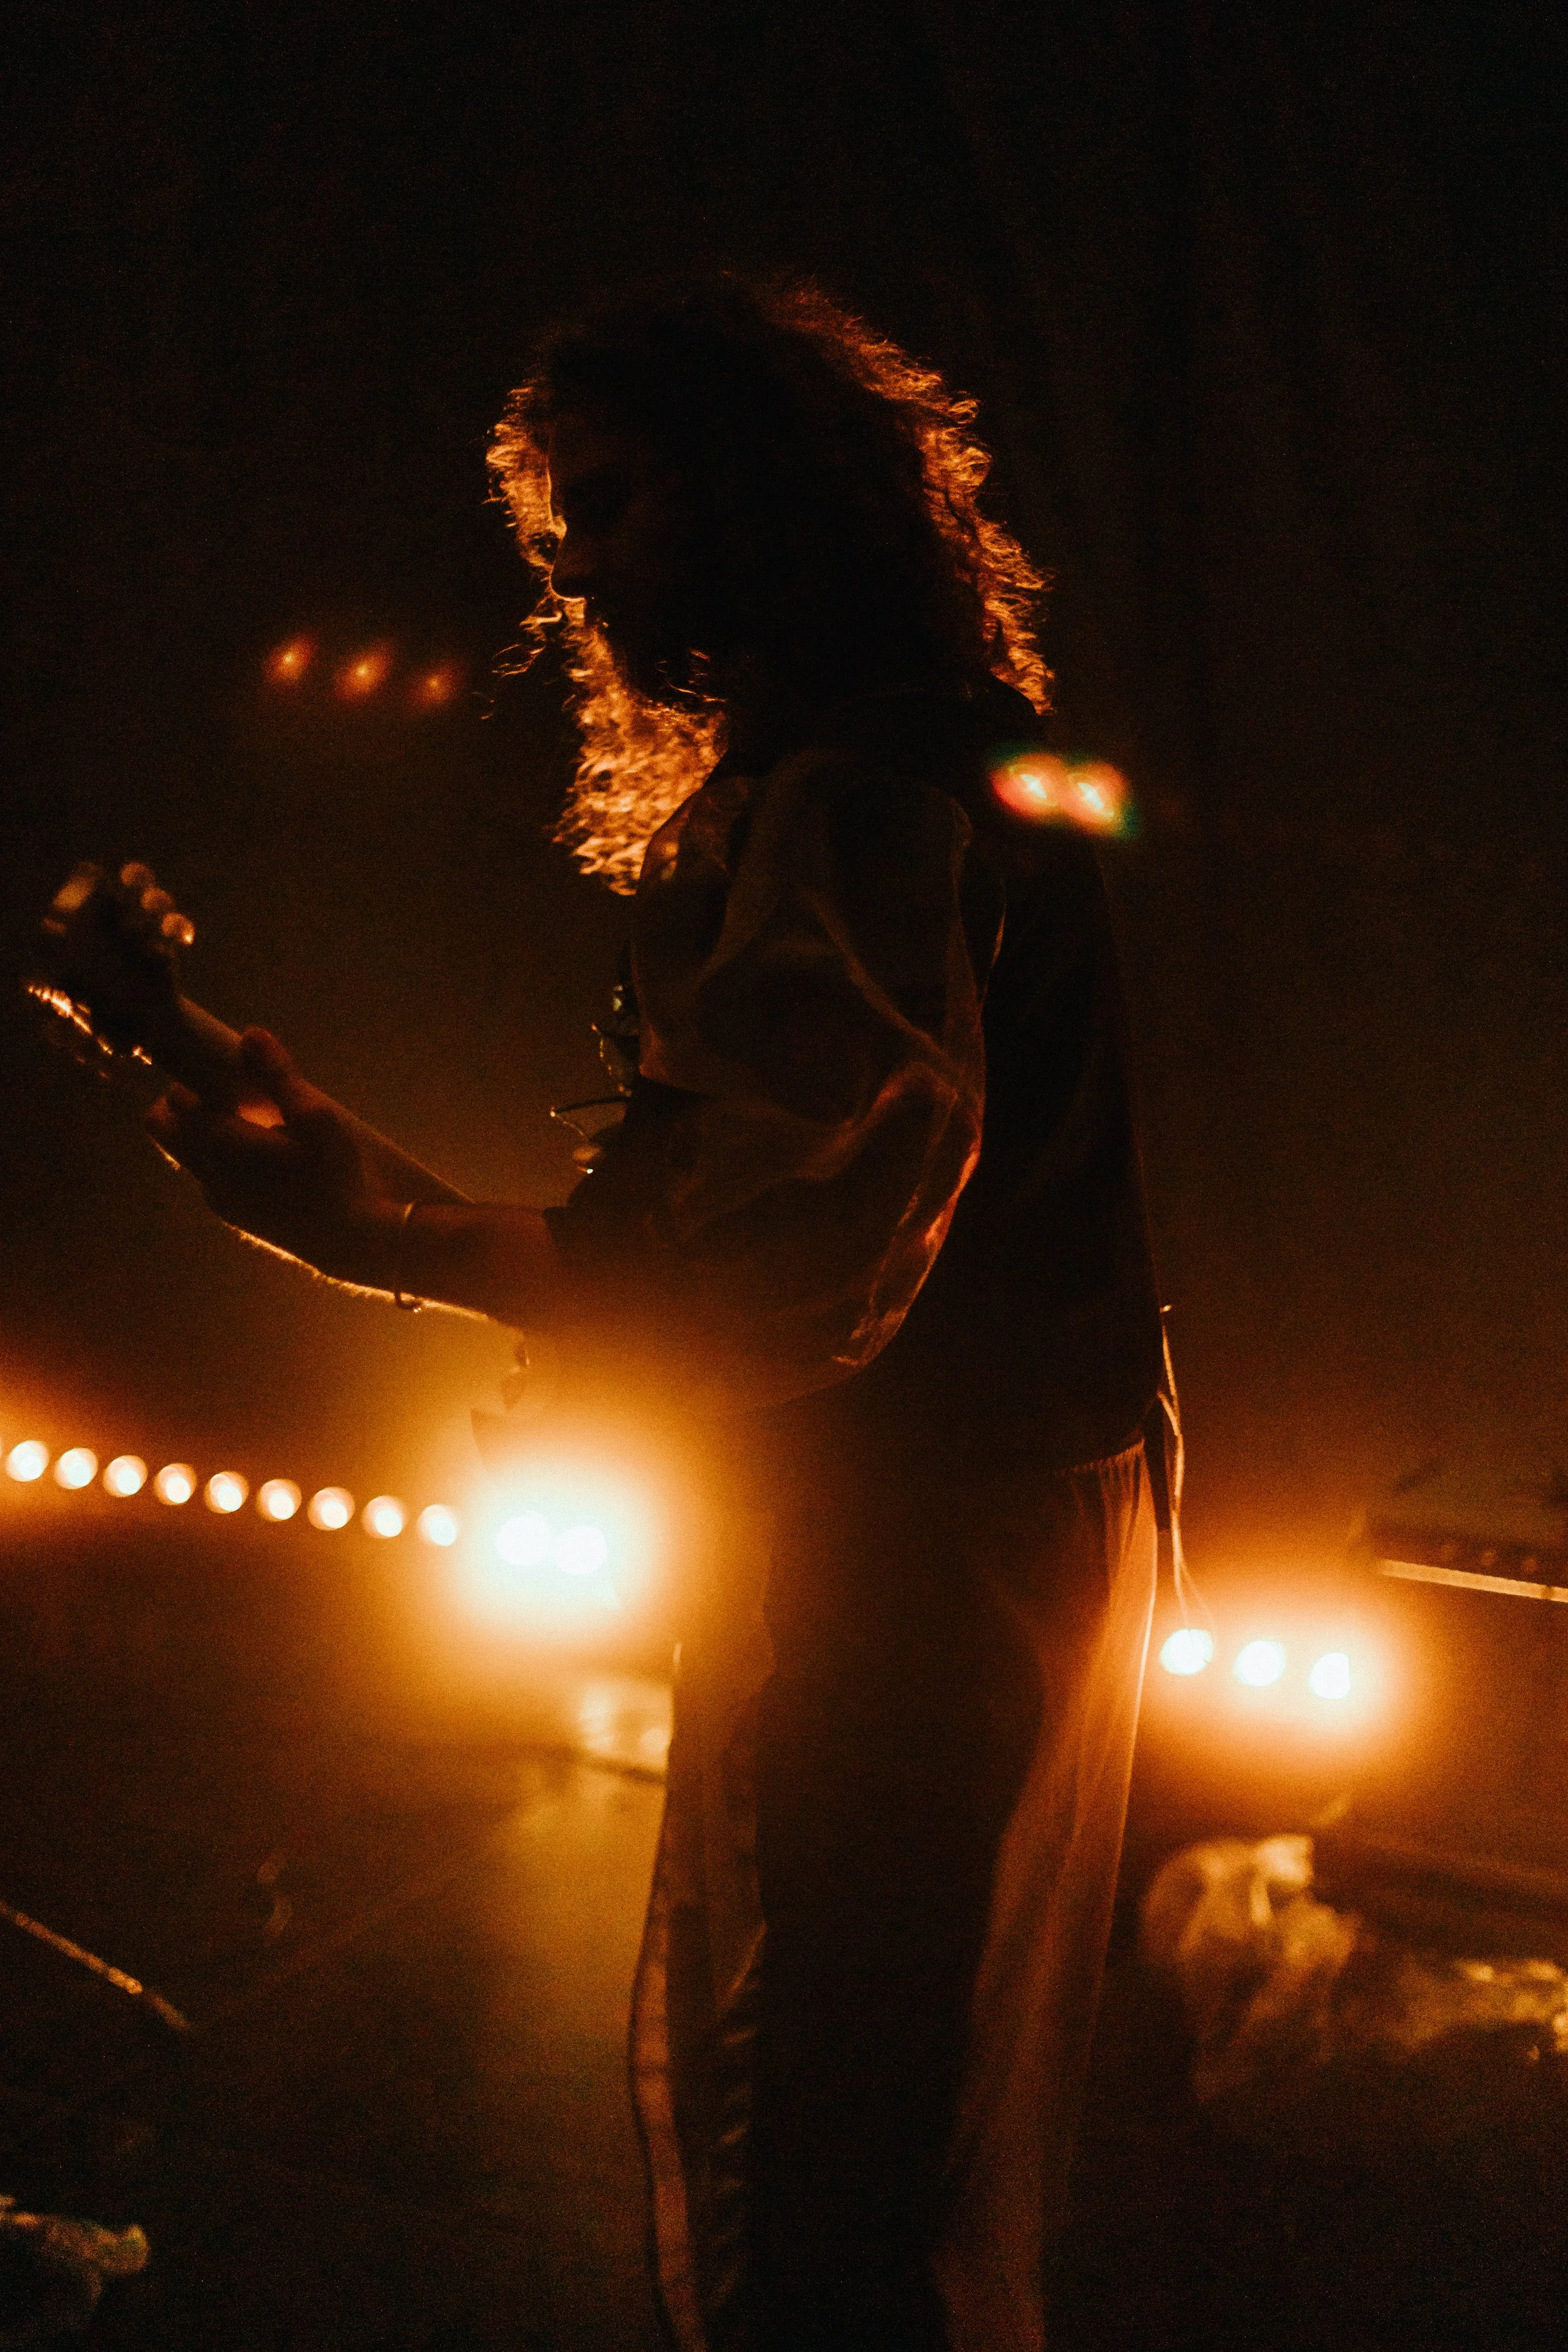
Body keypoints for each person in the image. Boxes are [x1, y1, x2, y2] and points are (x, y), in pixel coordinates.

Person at [146, 277, 1172, 2352]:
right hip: (964, 1526)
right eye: (563, 530)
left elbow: (774, 1272)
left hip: (920, 1552)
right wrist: (375, 1196)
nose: (582, 572)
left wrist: (364, 1216)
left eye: (612, 509)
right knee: (860, 2142)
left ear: (759, 497)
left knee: (830, 2161)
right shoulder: (892, 774)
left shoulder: (859, 797)